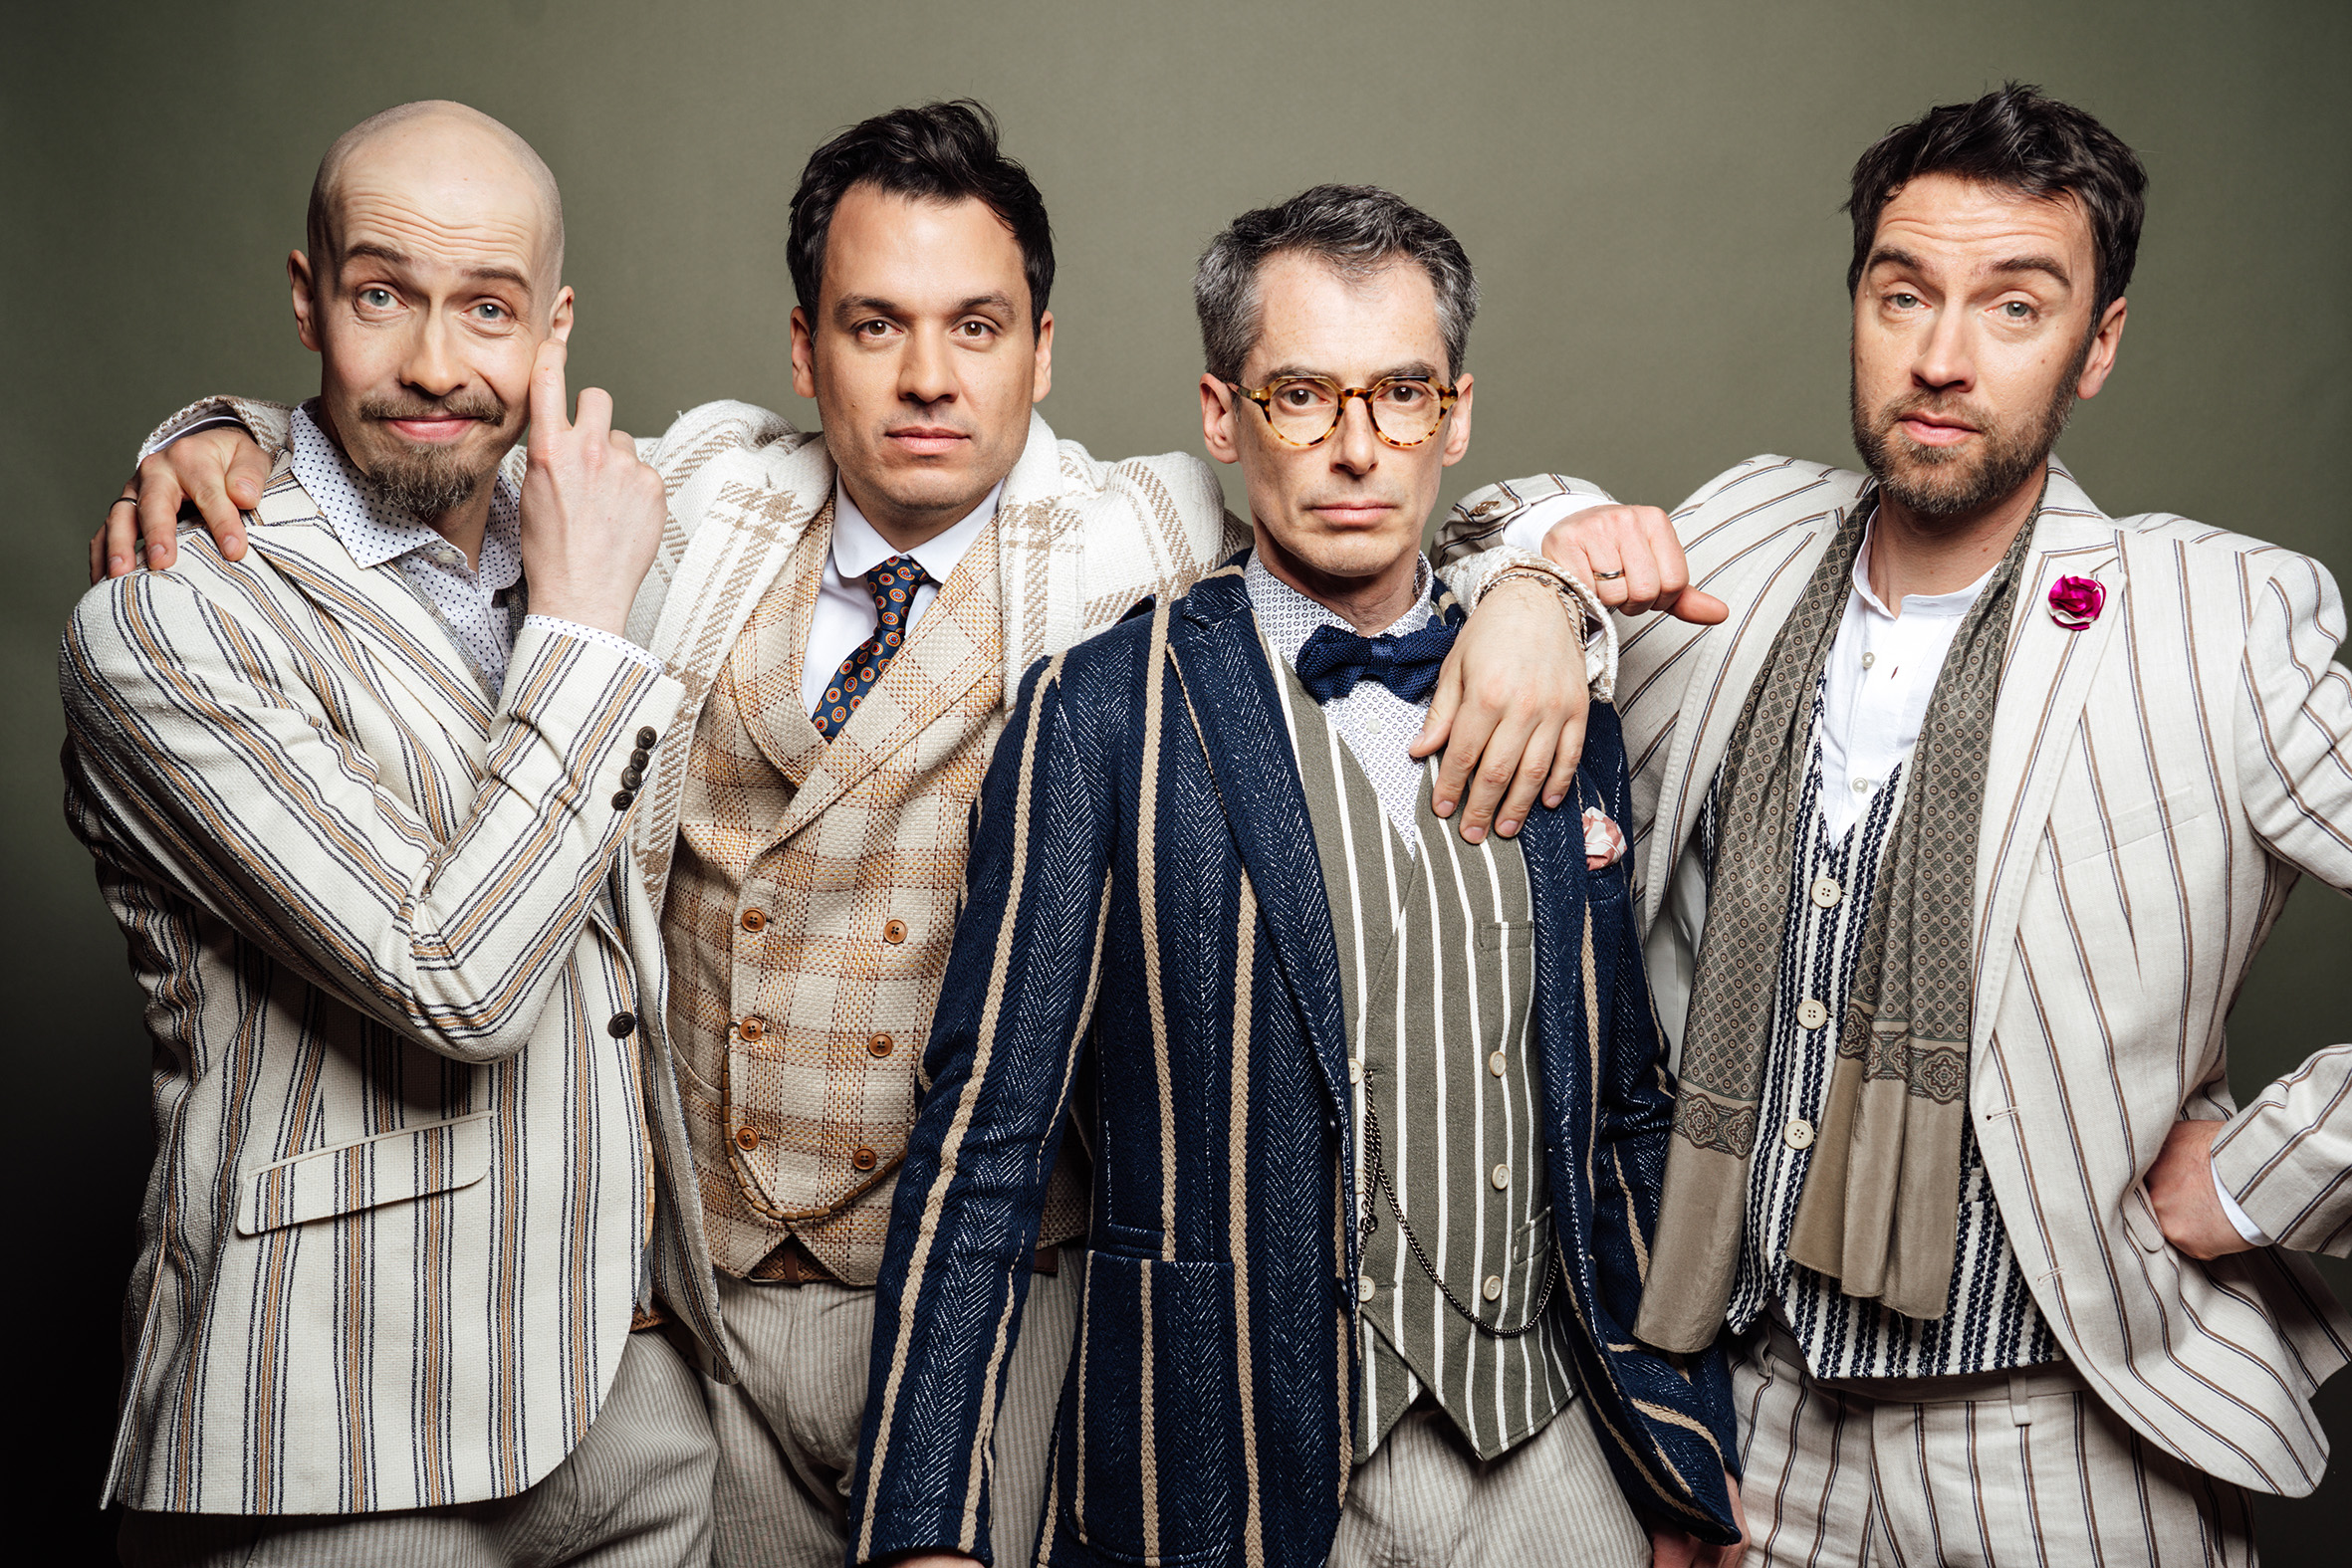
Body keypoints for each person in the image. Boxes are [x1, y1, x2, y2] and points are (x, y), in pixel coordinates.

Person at [108, 102, 1603, 1567]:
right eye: (875, 325)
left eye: (977, 327)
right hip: (693, 1323)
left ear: (1043, 351)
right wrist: (232, 436)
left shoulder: (1145, 529)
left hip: (1009, 1298)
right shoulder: (704, 499)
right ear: (803, 348)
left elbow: (1388, 514)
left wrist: (1546, 584)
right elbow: (439, 439)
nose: (928, 379)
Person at [1442, 83, 2352, 1564]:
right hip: (1749, 1418)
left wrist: (2268, 1177)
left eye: (2014, 306)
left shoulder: (2220, 616)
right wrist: (1545, 578)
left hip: (2061, 1434)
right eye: (1902, 292)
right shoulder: (1747, 529)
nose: (1940, 356)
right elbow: (1477, 526)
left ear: (2097, 345)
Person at [850, 185, 1746, 1568]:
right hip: (1221, 1465)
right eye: (1301, 397)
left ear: (1455, 415)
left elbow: (1624, 1106)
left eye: (1401, 395)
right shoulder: (1098, 714)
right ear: (1223, 415)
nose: (1355, 448)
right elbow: (987, 1142)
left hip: (1551, 1443)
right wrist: (926, 1530)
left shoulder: (1565, 696)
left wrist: (1680, 1447)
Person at [60, 103, 714, 1565]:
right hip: (341, 1422)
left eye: (487, 308)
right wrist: (585, 633)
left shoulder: (607, 539)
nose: (432, 362)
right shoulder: (167, 620)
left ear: (552, 329)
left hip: (624, 1401)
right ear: (307, 299)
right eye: (380, 296)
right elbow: (453, 976)